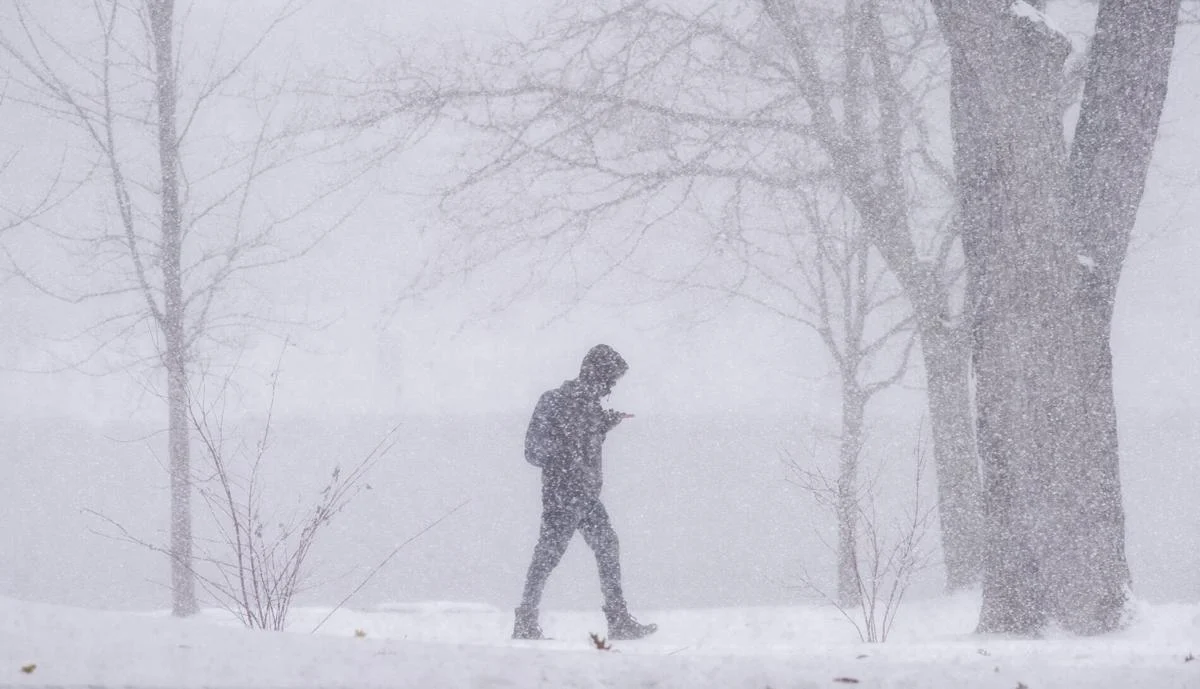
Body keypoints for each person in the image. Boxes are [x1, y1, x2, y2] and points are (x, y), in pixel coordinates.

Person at [512, 344, 657, 641]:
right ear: (596, 375)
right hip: (562, 495)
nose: (611, 389)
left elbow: (582, 443)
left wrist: (604, 425)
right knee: (548, 556)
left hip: (587, 495)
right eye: (610, 381)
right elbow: (533, 452)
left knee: (607, 548)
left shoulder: (591, 408)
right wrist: (568, 446)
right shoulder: (554, 401)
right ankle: (525, 621)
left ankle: (617, 620)